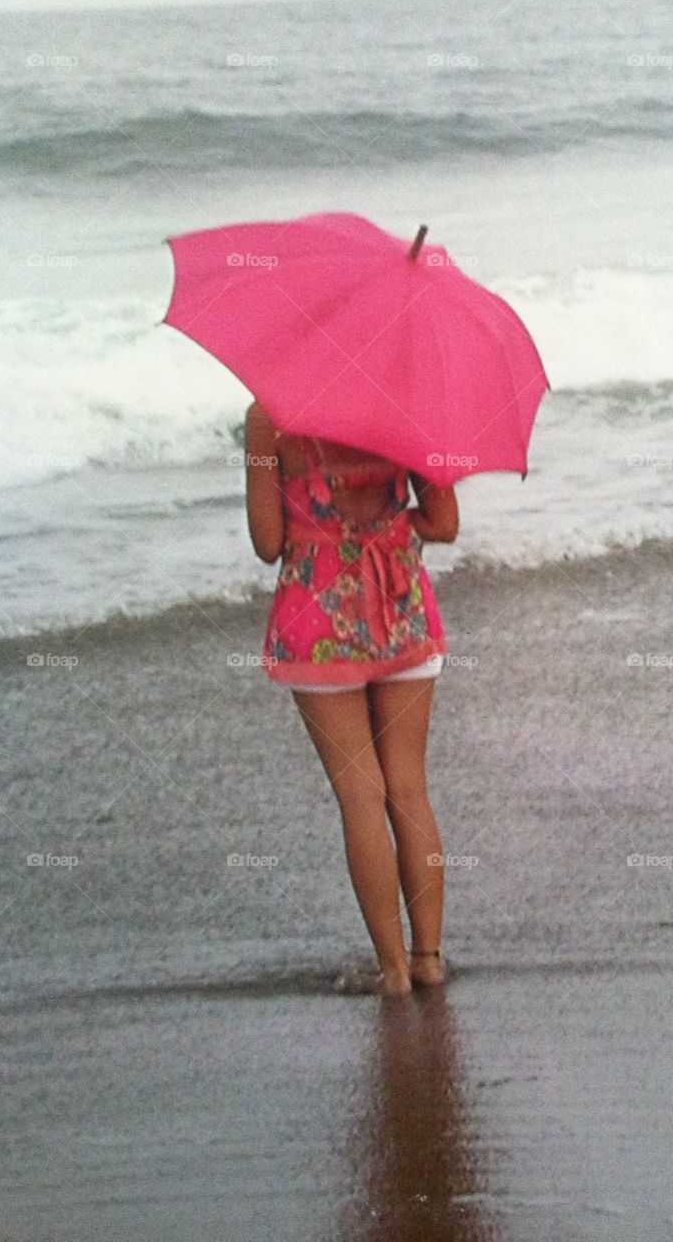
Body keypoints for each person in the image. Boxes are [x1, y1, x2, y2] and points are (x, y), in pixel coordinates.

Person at [244, 402, 459, 997]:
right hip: (402, 610)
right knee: (409, 789)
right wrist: (391, 523)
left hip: (319, 621)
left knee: (361, 797)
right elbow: (443, 523)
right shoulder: (409, 406)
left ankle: (392, 971)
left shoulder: (268, 420)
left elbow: (267, 542)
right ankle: (428, 959)